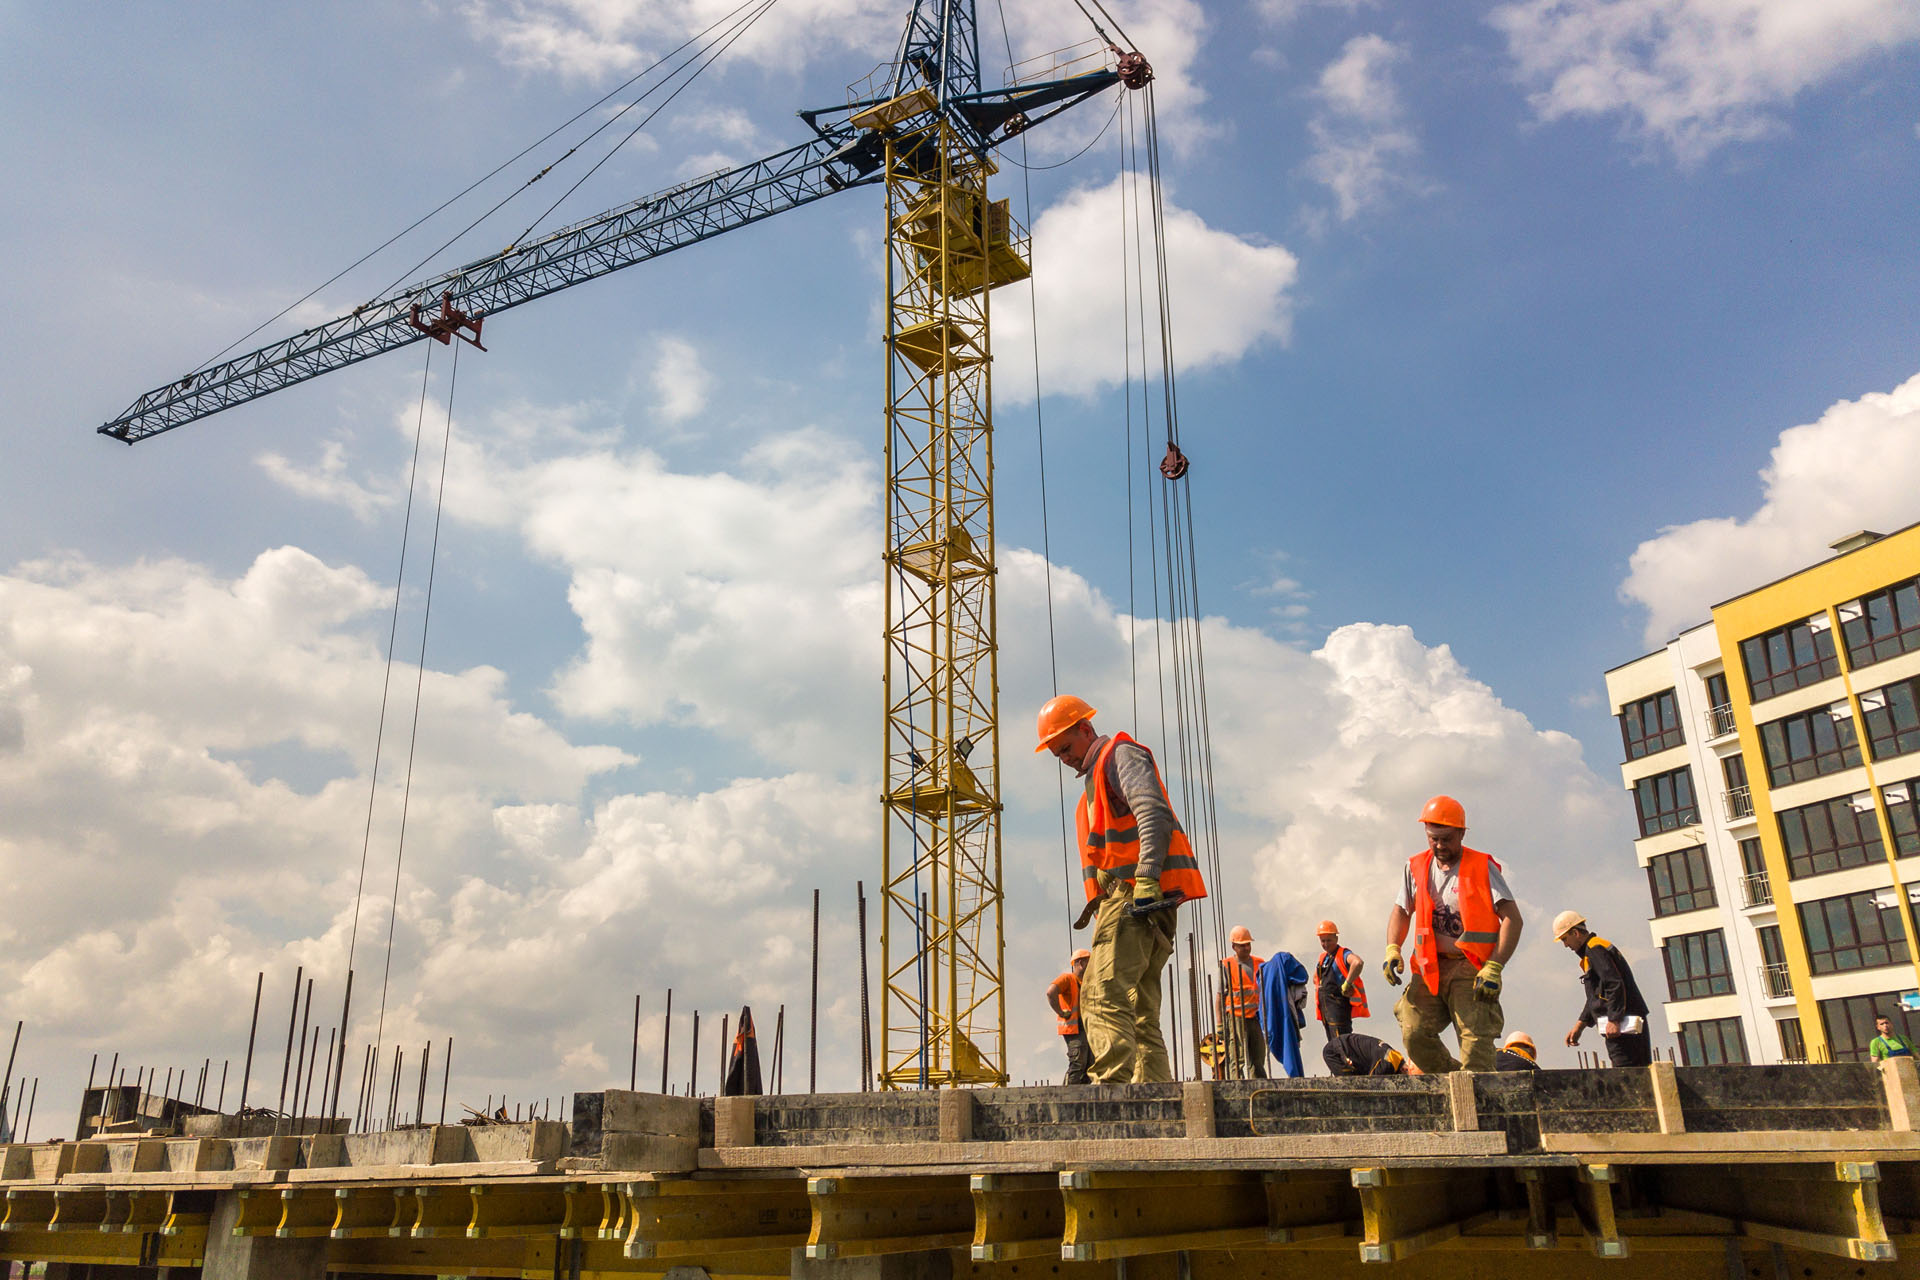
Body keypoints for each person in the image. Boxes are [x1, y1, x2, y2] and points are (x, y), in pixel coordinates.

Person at [1036, 695, 1208, 1084]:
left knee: (1099, 994)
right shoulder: (1095, 781)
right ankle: (1156, 1097)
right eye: (1056, 754)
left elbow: (1153, 812)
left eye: (1065, 748)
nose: (1063, 759)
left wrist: (1145, 875)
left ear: (1085, 729)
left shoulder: (1119, 755)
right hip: (1143, 897)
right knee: (1139, 1009)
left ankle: (1111, 1091)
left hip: (1138, 895)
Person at [1381, 794, 1523, 1073]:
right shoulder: (1416, 867)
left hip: (1471, 968)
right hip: (1430, 966)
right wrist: (1392, 948)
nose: (1439, 845)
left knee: (1476, 1046)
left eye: (1446, 838)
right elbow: (1401, 911)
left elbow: (1512, 919)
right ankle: (1455, 1082)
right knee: (1413, 1032)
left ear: (1461, 833)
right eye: (1433, 838)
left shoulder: (1482, 866)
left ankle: (1478, 1096)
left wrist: (1495, 966)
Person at [1555, 911, 1652, 1067]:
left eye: (1565, 939)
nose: (1566, 945)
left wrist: (1614, 1019)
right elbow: (1597, 995)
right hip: (1625, 1022)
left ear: (1575, 933)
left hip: (1623, 1027)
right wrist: (1580, 1025)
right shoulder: (1594, 949)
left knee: (1627, 1073)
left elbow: (1614, 983)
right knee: (1638, 1071)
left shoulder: (1595, 949)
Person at [1218, 926, 1268, 1078]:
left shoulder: (1260, 963)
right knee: (1237, 1056)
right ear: (1234, 946)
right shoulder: (1226, 965)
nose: (1247, 948)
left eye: (1248, 944)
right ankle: (1236, 1085)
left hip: (1255, 1017)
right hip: (1235, 1017)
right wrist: (1220, 1023)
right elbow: (1220, 996)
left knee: (1258, 1056)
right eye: (1242, 945)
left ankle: (1258, 1087)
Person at [1257, 946, 1312, 1077]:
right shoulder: (1276, 970)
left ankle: (1295, 1074)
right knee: (1288, 1047)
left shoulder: (1265, 972)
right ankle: (1295, 1075)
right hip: (1278, 1018)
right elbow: (1302, 977)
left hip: (1268, 1018)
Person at [1312, 920, 1369, 1040]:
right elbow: (1316, 978)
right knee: (1333, 1046)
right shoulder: (1323, 958)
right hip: (1326, 1012)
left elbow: (1357, 962)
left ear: (1336, 939)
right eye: (1323, 941)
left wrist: (1347, 983)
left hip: (1338, 1009)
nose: (1326, 944)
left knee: (1343, 1045)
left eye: (1329, 940)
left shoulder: (1343, 954)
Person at [1047, 950, 1093, 1084]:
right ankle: (1069, 1094)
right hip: (1074, 1028)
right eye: (1089, 962)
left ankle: (1084, 1096)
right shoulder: (1067, 979)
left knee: (1090, 1064)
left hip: (1086, 1028)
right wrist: (1061, 1012)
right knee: (1078, 1062)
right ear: (1081, 963)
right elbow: (1051, 992)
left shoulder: (1086, 983)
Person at [1323, 1032, 1421, 1077]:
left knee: (1356, 1085)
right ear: (1405, 1069)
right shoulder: (1387, 1065)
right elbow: (1372, 1083)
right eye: (1407, 1076)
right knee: (1351, 1088)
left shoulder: (1395, 1057)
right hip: (1335, 1052)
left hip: (1342, 1046)